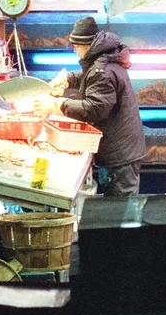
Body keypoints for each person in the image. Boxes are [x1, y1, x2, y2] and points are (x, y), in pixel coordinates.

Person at [47, 17, 146, 197]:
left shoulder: (103, 70)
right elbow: (90, 76)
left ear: (87, 45)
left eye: (76, 46)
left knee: (120, 207)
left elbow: (94, 109)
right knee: (115, 205)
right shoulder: (105, 59)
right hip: (122, 148)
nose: (75, 50)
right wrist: (67, 79)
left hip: (119, 156)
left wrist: (58, 105)